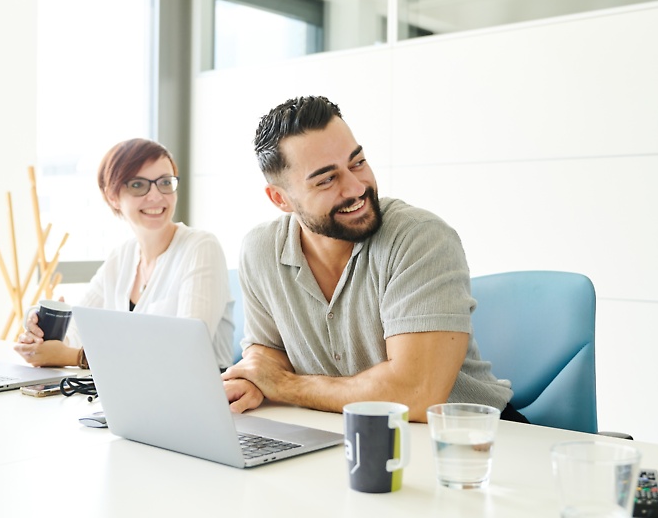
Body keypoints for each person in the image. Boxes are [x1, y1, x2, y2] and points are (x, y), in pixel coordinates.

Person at [222, 96, 525, 423]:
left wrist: (282, 385)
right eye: (327, 179)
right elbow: (267, 354)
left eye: (358, 162)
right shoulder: (260, 249)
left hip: (470, 441)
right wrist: (251, 382)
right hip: (346, 433)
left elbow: (415, 395)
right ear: (280, 198)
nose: (356, 187)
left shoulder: (420, 239)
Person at [15, 138, 234, 370]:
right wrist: (43, 338)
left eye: (165, 183)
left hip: (198, 398)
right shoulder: (121, 258)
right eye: (138, 185)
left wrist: (74, 357)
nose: (156, 196)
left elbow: (185, 349)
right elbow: (78, 330)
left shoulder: (200, 247)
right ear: (112, 196)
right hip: (132, 395)